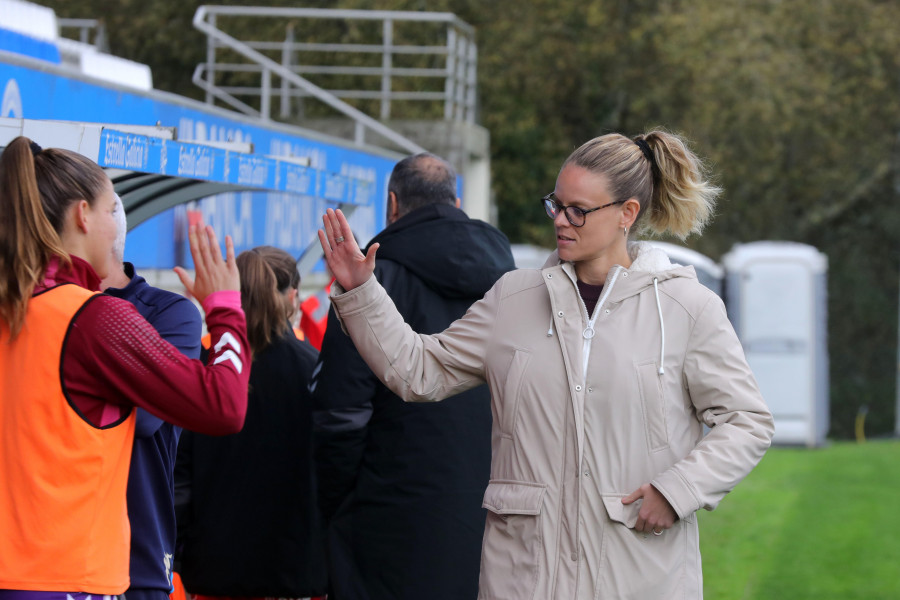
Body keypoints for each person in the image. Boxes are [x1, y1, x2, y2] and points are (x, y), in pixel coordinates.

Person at [317, 131, 775, 599]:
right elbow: (418, 370)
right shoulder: (511, 298)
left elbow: (747, 421)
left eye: (578, 209)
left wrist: (678, 490)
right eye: (555, 205)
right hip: (522, 580)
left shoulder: (687, 307)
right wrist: (362, 293)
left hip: (641, 577)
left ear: (627, 214)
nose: (561, 220)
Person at [0, 136, 250, 600]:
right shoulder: (91, 316)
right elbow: (224, 405)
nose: (117, 225)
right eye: (111, 209)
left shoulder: (21, 307)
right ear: (82, 216)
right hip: (69, 579)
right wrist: (226, 311)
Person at [311, 153, 516, 600]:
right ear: (458, 201)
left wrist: (337, 507)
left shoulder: (367, 280)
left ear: (391, 204)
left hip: (385, 519)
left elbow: (339, 414)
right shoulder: (513, 284)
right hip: (490, 515)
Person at [174, 246, 327, 600]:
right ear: (292, 297)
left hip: (214, 574)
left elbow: (180, 475)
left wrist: (181, 554)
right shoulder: (317, 369)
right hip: (298, 573)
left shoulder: (207, 369)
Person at [99, 194, 203, 600]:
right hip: (47, 555)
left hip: (135, 556)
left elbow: (143, 418)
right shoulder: (34, 309)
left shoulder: (168, 313)